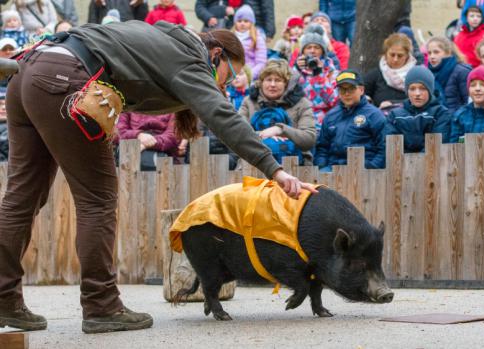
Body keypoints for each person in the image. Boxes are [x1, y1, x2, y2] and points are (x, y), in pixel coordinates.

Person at [0, 24, 315, 334]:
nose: (225, 84)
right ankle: (102, 306)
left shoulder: (167, 43)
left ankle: (4, 299)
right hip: (64, 76)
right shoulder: (190, 58)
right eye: (228, 76)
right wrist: (274, 168)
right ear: (216, 55)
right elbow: (222, 117)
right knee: (97, 201)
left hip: (27, 69)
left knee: (20, 199)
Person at [239, 59, 317, 165]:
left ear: (286, 83)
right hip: (254, 163)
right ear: (261, 82)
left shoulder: (302, 103)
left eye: (278, 80)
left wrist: (280, 130)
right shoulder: (249, 101)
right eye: (268, 79)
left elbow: (309, 139)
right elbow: (239, 134)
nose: (272, 84)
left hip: (295, 165)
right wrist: (264, 136)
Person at [314, 69, 386, 171]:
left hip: (364, 170)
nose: (346, 93)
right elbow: (322, 149)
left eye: (351, 89)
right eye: (342, 90)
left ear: (361, 90)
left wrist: (371, 168)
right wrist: (322, 167)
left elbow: (384, 148)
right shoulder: (330, 116)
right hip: (332, 169)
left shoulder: (374, 115)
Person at [384, 66, 451, 151]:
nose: (417, 93)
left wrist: (417, 162)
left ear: (430, 90)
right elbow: (391, 145)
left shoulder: (440, 113)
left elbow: (438, 144)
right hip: (400, 162)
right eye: (412, 89)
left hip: (432, 162)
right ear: (407, 91)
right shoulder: (394, 116)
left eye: (422, 88)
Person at [293, 24, 339, 128]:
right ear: (303, 51)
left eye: (316, 47)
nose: (312, 51)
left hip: (325, 117)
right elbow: (288, 94)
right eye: (309, 47)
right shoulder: (297, 68)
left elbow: (332, 100)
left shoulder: (330, 70)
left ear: (323, 51)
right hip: (300, 116)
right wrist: (296, 70)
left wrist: (319, 75)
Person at [449, 66, 484, 143]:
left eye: (483, 84)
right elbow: (453, 146)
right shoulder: (460, 115)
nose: (477, 89)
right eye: (473, 85)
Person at [363, 33, 416, 110]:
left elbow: (421, 98)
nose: (395, 59)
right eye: (392, 55)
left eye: (400, 56)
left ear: (407, 56)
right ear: (385, 54)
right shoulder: (376, 74)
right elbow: (360, 92)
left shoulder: (415, 75)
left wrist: (392, 103)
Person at [114, 112, 183, 170]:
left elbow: (172, 136)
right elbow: (118, 133)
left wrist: (147, 143)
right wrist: (138, 135)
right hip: (131, 150)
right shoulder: (129, 105)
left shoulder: (172, 107)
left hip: (163, 155)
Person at [427, 36, 472, 114]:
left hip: (457, 121)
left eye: (436, 52)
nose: (432, 56)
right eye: (429, 53)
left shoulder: (462, 71)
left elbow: (469, 103)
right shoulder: (427, 74)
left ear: (448, 52)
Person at [233, 5, 267, 80]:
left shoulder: (257, 39)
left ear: (251, 23)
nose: (242, 23)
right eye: (239, 21)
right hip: (232, 78)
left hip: (250, 78)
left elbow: (261, 63)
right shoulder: (230, 37)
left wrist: (248, 76)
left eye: (246, 21)